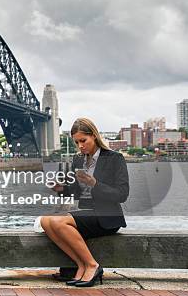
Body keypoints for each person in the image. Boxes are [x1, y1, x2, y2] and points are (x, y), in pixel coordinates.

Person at [40, 117, 129, 287]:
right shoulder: (79, 159)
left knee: (59, 222)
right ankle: (80, 265)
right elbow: (75, 192)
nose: (80, 146)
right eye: (76, 142)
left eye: (83, 140)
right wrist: (61, 189)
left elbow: (122, 194)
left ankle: (92, 265)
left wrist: (94, 183)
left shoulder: (114, 158)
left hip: (107, 215)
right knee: (45, 221)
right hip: (85, 212)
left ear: (94, 136)